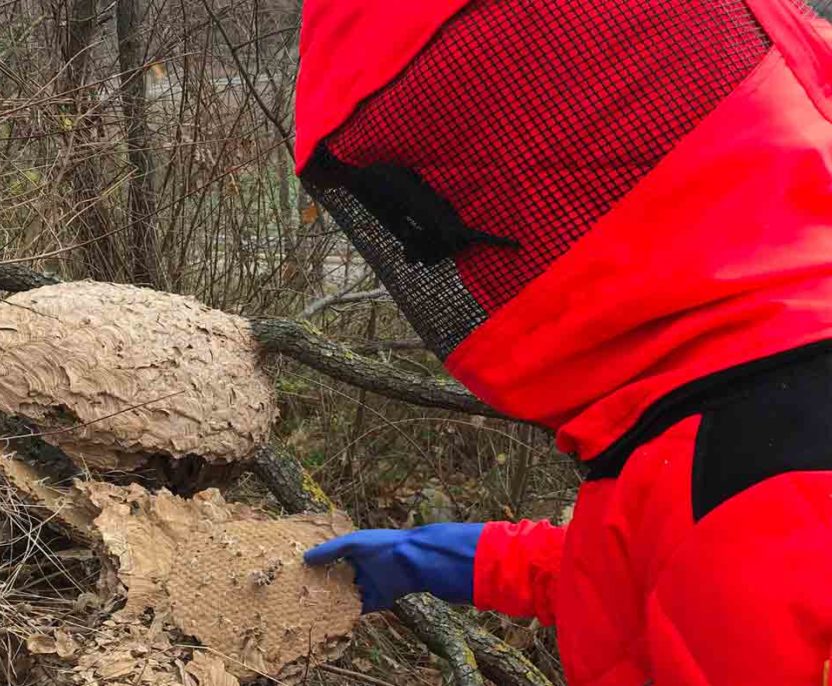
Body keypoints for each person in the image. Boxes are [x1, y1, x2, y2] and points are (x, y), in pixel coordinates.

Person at [293, 1, 832, 684]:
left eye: (457, 221)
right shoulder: (729, 411)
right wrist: (451, 558)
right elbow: (657, 575)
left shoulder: (774, 483)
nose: (461, 261)